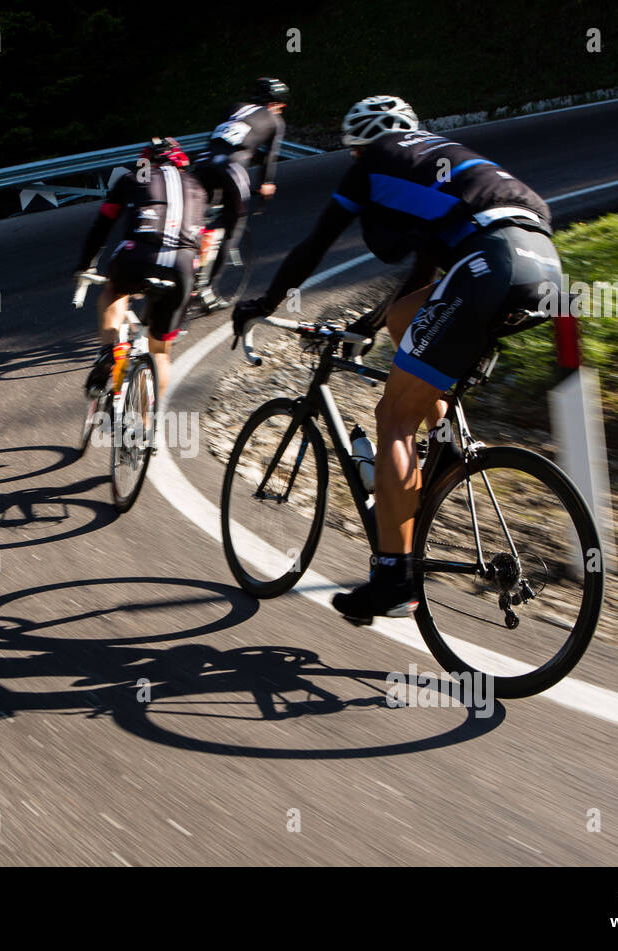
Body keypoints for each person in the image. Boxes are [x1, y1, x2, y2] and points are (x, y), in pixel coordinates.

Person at [232, 95, 563, 624]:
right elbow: (421, 284)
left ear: (357, 149)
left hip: (488, 263)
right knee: (404, 319)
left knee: (393, 418)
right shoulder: (440, 166)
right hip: (543, 264)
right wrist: (364, 327)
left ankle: (393, 577)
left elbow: (314, 247)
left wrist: (262, 305)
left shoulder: (371, 165)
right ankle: (449, 446)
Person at [77, 136, 207, 402]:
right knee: (159, 351)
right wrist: (196, 284)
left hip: (137, 255)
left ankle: (106, 352)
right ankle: (146, 431)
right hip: (182, 265)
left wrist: (84, 265)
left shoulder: (131, 179)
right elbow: (202, 243)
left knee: (114, 291)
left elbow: (101, 227)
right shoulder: (197, 187)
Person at [190, 77, 289, 312]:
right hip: (232, 169)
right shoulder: (275, 120)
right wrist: (266, 185)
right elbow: (269, 157)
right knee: (233, 225)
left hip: (204, 164)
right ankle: (206, 289)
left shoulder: (234, 108)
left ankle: (186, 251)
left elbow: (220, 138)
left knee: (195, 218)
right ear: (278, 104)